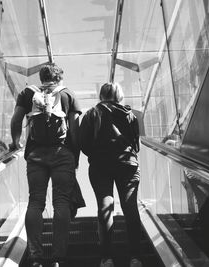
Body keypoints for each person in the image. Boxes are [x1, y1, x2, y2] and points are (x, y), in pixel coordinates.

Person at [10, 63, 81, 267]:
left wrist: (16, 143)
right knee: (61, 202)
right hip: (63, 153)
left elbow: (16, 120)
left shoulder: (27, 93)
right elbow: (74, 130)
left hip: (36, 154)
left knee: (36, 201)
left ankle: (36, 256)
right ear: (59, 77)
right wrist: (74, 155)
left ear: (41, 77)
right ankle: (59, 257)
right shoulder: (68, 94)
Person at [80, 82, 143, 267]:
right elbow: (136, 145)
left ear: (101, 95)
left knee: (105, 207)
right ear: (119, 95)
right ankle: (135, 258)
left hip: (101, 166)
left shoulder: (92, 114)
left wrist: (97, 153)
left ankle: (107, 258)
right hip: (127, 165)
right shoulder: (130, 114)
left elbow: (83, 143)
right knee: (130, 208)